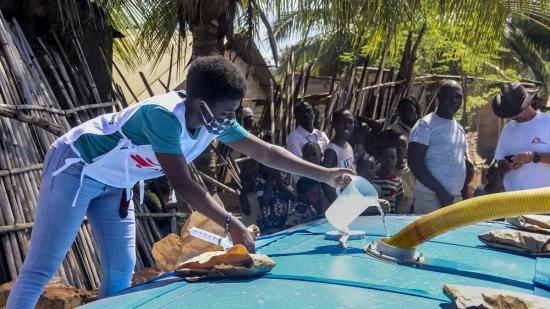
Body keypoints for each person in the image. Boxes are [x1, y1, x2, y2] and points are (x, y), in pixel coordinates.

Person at [7, 56, 354, 308]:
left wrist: (325, 174)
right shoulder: (163, 117)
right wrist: (232, 223)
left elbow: (267, 153)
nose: (228, 121)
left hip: (118, 184)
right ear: (199, 103)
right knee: (41, 268)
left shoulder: (213, 120)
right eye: (225, 113)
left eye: (233, 113)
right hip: (77, 168)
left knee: (121, 269)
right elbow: (185, 185)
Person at [408, 80, 466, 214]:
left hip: (453, 199)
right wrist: (441, 192)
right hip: (430, 198)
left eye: (458, 97)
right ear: (439, 97)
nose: (454, 100)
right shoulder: (425, 125)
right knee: (429, 236)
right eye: (449, 96)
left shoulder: (460, 129)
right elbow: (414, 163)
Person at [491, 82, 550, 191]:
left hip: (543, 201)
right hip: (513, 200)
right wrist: (508, 165)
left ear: (526, 104)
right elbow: (500, 162)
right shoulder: (508, 128)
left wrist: (534, 157)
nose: (513, 116)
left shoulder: (548, 123)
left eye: (515, 111)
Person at [323, 109, 356, 202]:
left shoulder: (348, 145)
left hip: (350, 197)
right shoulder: (331, 151)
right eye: (342, 122)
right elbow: (324, 180)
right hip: (339, 199)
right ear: (333, 124)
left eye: (350, 122)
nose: (347, 126)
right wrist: (337, 202)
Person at [256, 165, 295, 234]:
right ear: (263, 166)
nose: (273, 168)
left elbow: (293, 197)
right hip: (267, 227)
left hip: (283, 224)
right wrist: (270, 181)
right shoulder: (260, 181)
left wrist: (279, 182)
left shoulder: (283, 178)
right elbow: (264, 201)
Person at [371, 146, 404, 214]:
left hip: (391, 217)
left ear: (396, 160)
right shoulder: (372, 179)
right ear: (379, 159)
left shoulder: (397, 181)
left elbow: (399, 200)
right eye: (385, 157)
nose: (389, 160)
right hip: (374, 216)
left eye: (392, 157)